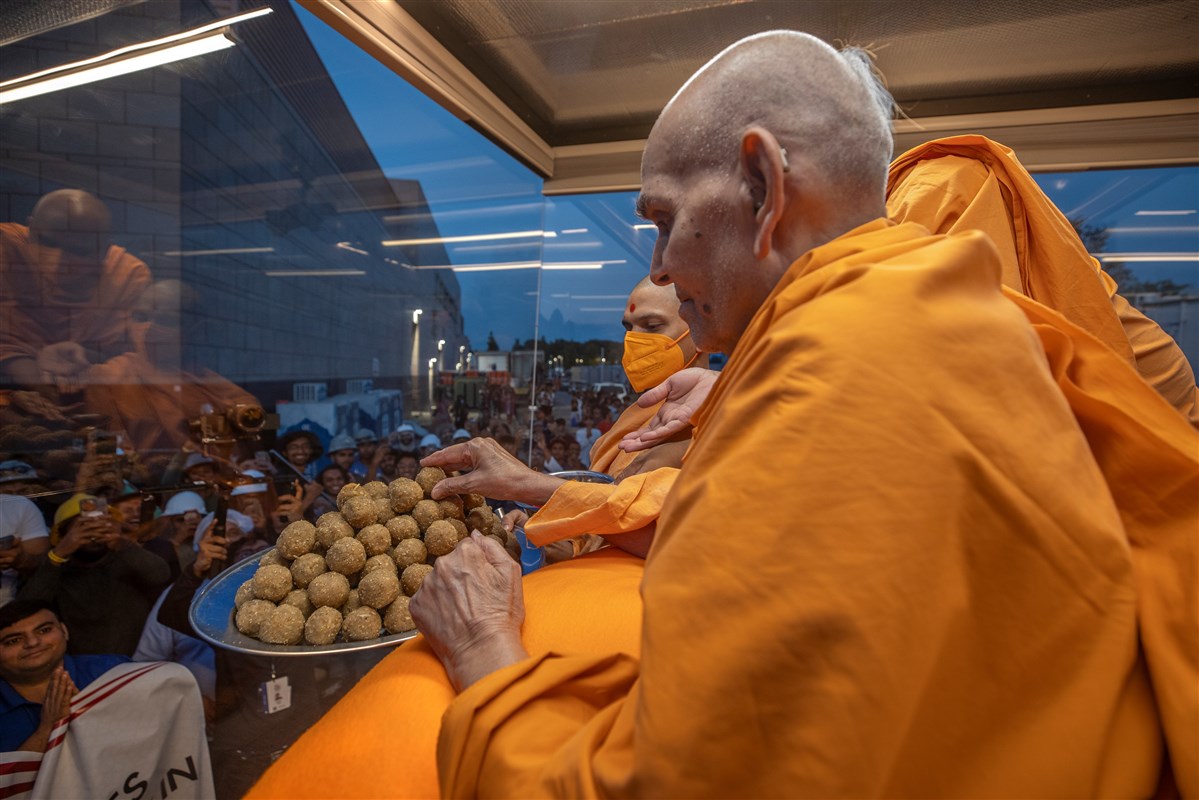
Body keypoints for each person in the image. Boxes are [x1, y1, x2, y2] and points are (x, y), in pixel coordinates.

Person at [268, 32, 1198, 797]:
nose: (658, 268)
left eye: (661, 218)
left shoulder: (836, 374)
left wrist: (482, 647)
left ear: (761, 184)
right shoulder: (933, 313)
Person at [248, 278, 708, 798]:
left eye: (652, 326)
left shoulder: (725, 418)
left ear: (702, 324)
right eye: (628, 327)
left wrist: (530, 488)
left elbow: (684, 530)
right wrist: (556, 539)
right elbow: (617, 525)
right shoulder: (637, 421)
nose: (634, 341)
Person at [0, 190, 149, 400]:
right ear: (30, 229)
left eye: (79, 251)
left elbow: (128, 354)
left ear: (103, 250)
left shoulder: (128, 275)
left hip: (86, 387)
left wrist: (81, 354)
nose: (58, 263)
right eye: (48, 242)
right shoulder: (5, 247)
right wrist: (37, 378)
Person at [19, 493, 171, 656]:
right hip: (80, 664)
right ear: (63, 536)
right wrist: (59, 553)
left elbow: (161, 575)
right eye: (83, 527)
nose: (93, 533)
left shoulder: (127, 559)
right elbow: (26, 609)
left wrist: (121, 544)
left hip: (135, 662)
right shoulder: (55, 568)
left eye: (101, 525)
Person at [0, 599, 127, 752]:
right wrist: (48, 728)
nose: (33, 643)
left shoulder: (113, 670)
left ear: (64, 631)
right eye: (13, 641)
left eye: (44, 630)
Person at [0, 466, 50, 606]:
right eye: (8, 492)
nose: (16, 495)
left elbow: (44, 571)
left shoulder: (21, 507)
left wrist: (20, 560)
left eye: (22, 491)